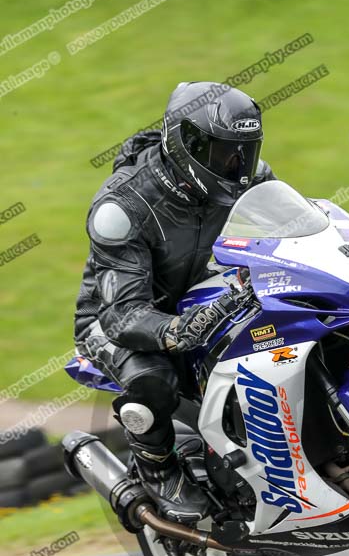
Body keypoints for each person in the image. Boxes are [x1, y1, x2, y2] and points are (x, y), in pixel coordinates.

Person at [74, 81, 275, 523]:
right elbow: (122, 313)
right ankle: (158, 467)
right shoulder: (122, 206)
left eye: (244, 151)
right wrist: (175, 331)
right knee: (154, 378)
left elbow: (291, 230)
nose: (236, 165)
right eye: (223, 153)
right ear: (186, 144)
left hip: (205, 298)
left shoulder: (253, 180)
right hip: (115, 320)